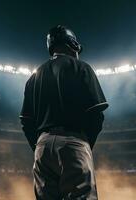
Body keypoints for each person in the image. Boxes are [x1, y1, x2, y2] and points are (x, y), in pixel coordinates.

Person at [20, 25, 108, 200]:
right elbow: (96, 114)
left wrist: (38, 145)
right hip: (73, 141)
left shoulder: (33, 77)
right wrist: (84, 143)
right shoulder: (81, 67)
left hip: (42, 147)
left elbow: (26, 122)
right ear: (72, 44)